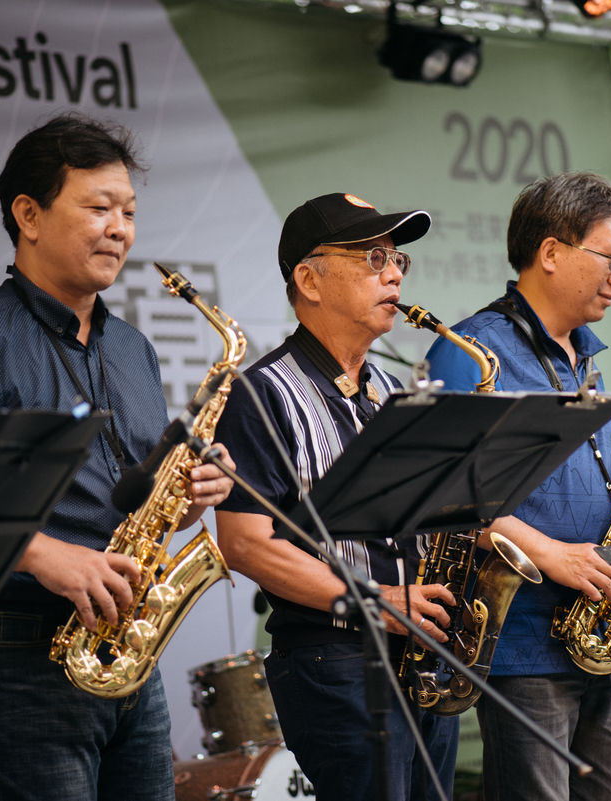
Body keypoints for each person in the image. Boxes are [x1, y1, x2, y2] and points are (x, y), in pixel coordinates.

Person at [0, 114, 234, 801]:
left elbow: (132, 503)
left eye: (130, 211)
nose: (120, 228)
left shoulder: (133, 349)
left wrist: (187, 492)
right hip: (13, 654)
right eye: (98, 208)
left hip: (123, 653)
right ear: (29, 214)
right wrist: (40, 552)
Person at [214, 192, 460, 800]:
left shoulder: (392, 388)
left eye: (399, 259)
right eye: (374, 258)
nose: (395, 272)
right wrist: (375, 600)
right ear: (309, 279)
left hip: (419, 652)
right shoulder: (260, 394)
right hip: (338, 660)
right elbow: (245, 544)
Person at [423, 173, 611, 801]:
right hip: (522, 643)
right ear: (551, 253)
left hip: (601, 631)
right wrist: (546, 552)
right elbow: (438, 491)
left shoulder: (585, 356)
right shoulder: (468, 350)